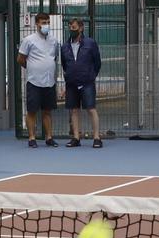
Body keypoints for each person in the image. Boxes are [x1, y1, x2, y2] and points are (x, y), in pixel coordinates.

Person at [16, 11, 59, 148]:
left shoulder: (54, 41)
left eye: (47, 22)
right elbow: (20, 59)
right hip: (34, 81)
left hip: (49, 82)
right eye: (43, 23)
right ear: (37, 25)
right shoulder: (28, 40)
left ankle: (49, 137)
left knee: (47, 111)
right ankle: (32, 138)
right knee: (32, 111)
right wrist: (33, 68)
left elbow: (54, 58)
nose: (46, 25)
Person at [60, 17, 104, 147]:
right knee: (73, 110)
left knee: (91, 109)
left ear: (81, 28)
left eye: (74, 27)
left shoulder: (90, 43)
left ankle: (96, 137)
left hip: (87, 82)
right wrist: (69, 76)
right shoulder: (64, 47)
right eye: (70, 28)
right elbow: (64, 64)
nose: (71, 30)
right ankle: (76, 137)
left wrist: (91, 76)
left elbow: (97, 63)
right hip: (71, 83)